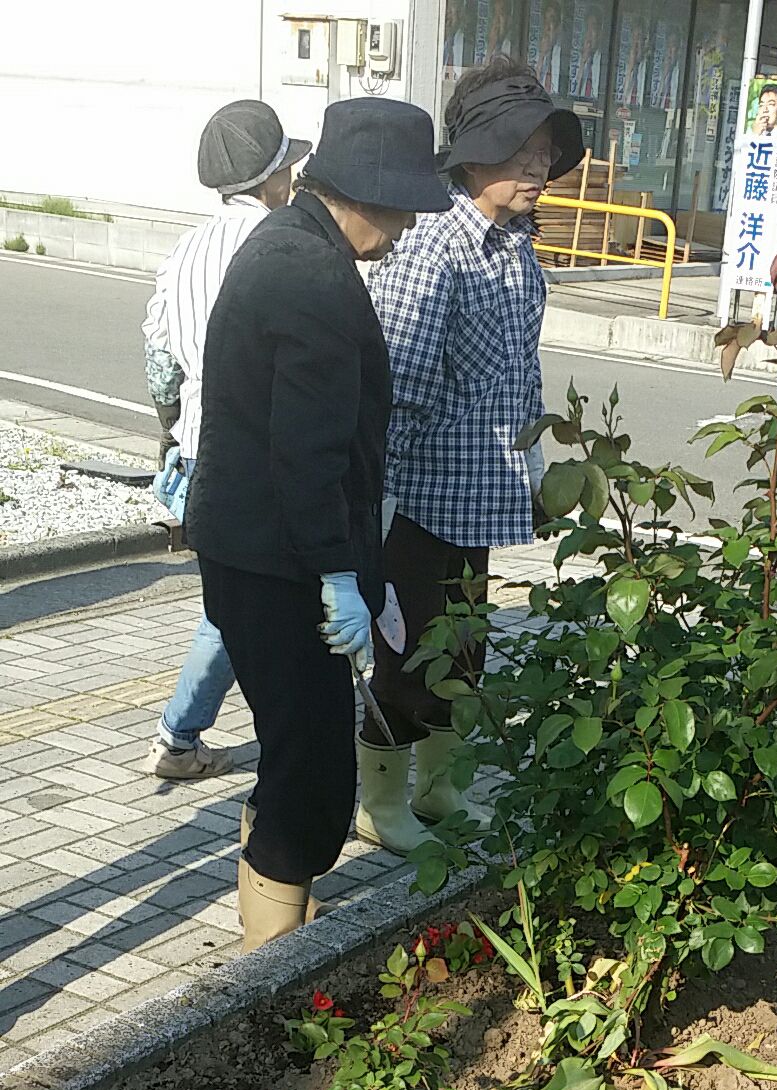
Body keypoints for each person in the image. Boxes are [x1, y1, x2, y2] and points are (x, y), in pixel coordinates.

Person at [185, 100, 449, 951]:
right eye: (402, 206)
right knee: (312, 779)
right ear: (362, 193)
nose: (407, 227)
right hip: (284, 566)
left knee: (294, 748)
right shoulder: (318, 280)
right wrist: (337, 571)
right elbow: (309, 454)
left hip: (248, 551)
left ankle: (283, 919)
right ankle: (274, 971)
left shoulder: (284, 243)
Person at [362, 56, 584, 854]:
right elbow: (402, 388)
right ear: (472, 154)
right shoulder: (435, 245)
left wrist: (528, 474)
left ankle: (441, 790)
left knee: (465, 651)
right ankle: (381, 805)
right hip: (417, 499)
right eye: (521, 147)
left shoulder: (513, 243)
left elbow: (520, 375)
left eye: (546, 150)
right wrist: (372, 509)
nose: (539, 165)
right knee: (409, 657)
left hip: (477, 495)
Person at [142, 100, 310, 780]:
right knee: (245, 607)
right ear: (270, 178)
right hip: (260, 457)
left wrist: (172, 433)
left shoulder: (184, 248)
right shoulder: (281, 244)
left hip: (198, 456)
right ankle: (183, 737)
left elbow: (159, 362)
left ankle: (182, 738)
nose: (294, 179)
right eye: (289, 168)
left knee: (232, 603)